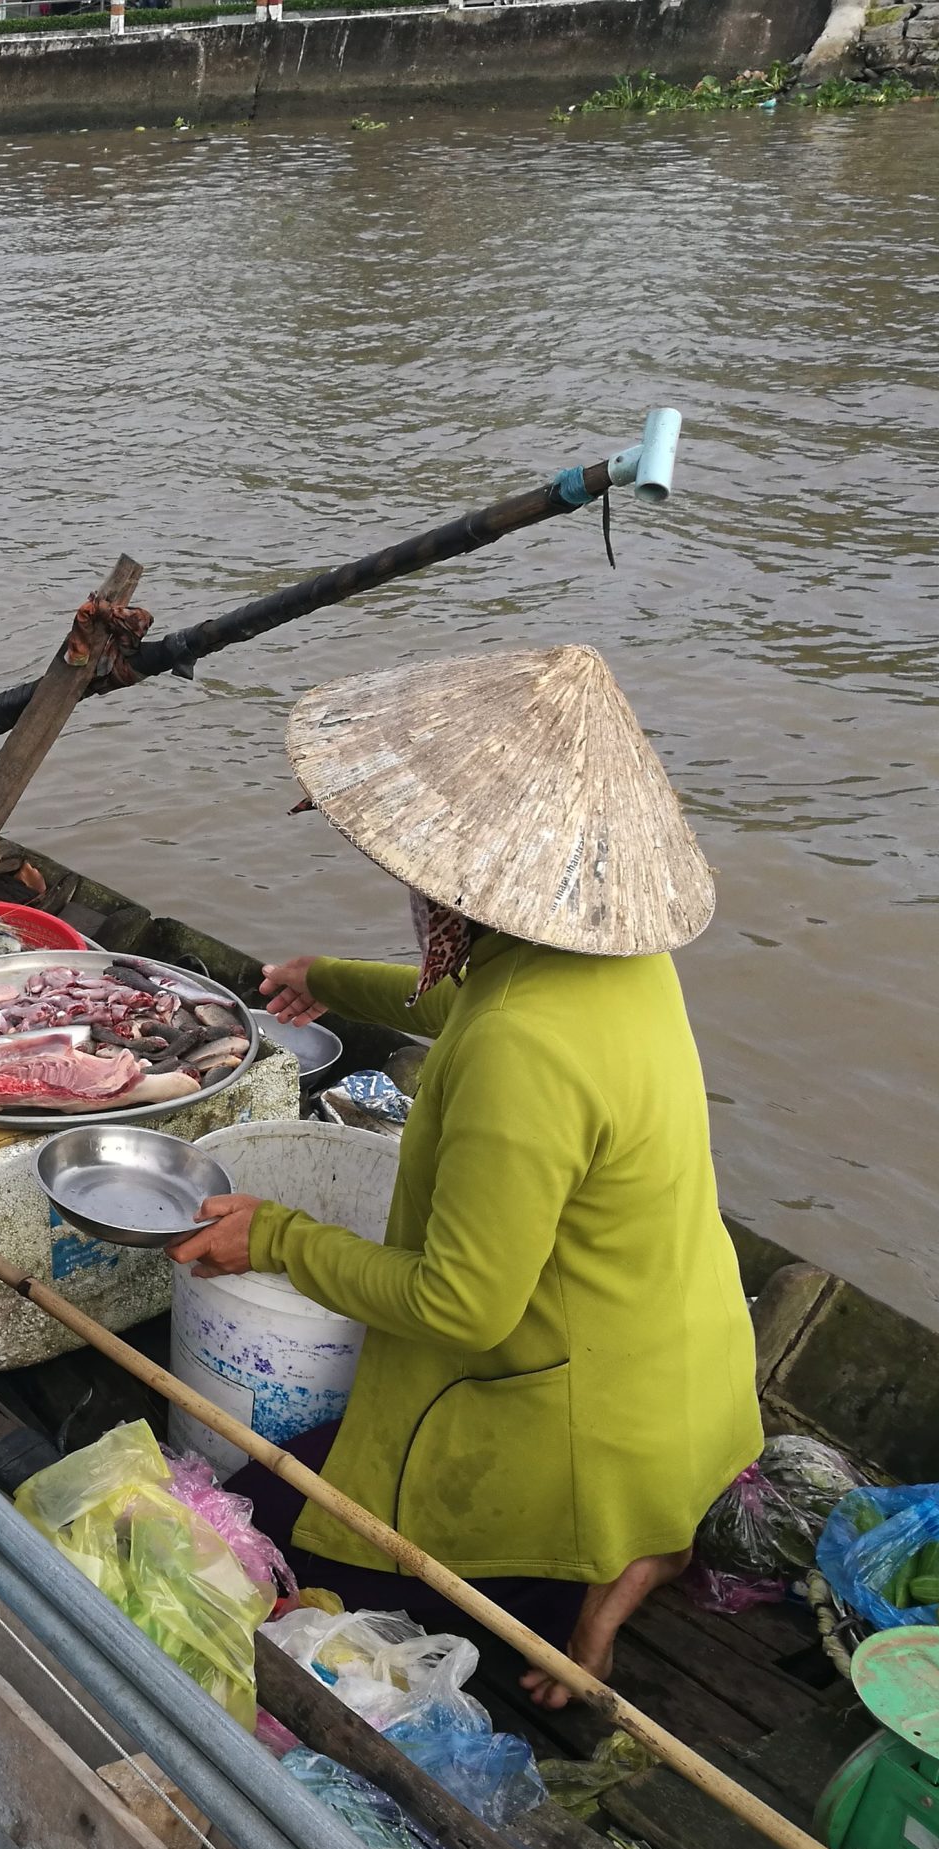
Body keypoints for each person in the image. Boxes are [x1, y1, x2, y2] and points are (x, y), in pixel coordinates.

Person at [171, 644, 761, 1709]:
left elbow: (460, 1304)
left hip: (569, 1431)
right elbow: (472, 1004)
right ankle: (648, 1546)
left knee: (246, 1528)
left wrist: (272, 1239)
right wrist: (331, 978)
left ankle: (581, 1586)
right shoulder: (609, 960)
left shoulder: (521, 1051)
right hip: (686, 1379)